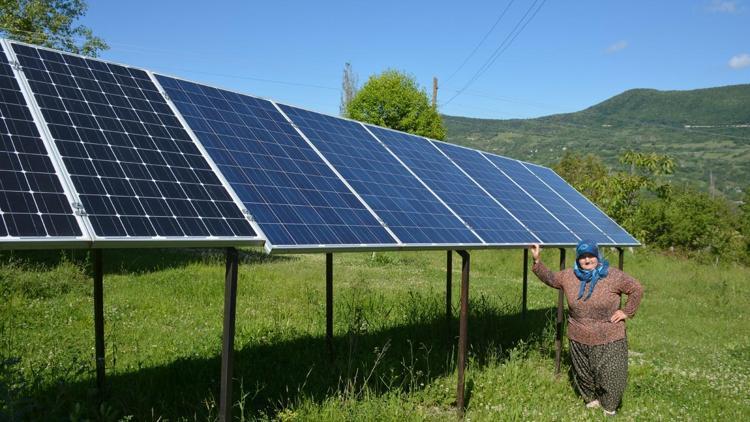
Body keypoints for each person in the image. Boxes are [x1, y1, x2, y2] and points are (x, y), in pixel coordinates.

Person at [530, 240, 643, 416]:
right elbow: (551, 278)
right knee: (583, 374)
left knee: (612, 376)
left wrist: (627, 311)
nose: (587, 260)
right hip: (578, 335)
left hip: (609, 335)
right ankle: (592, 402)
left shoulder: (612, 275)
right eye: (582, 257)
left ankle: (609, 408)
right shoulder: (569, 276)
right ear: (578, 259)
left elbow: (636, 288)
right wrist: (537, 261)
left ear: (597, 257)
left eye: (591, 256)